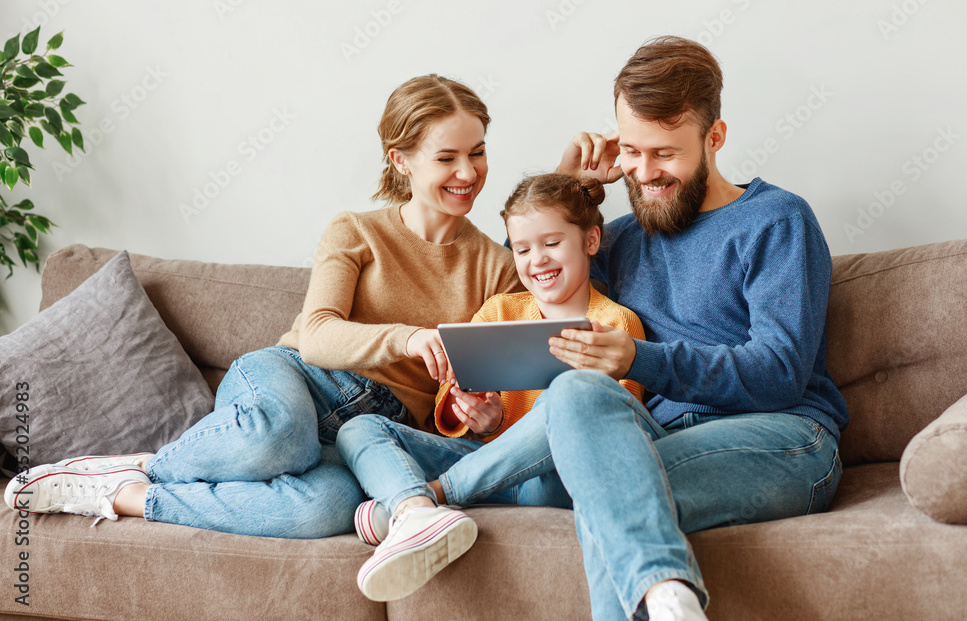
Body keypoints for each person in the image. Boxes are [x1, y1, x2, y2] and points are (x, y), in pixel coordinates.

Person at [3, 74, 522, 539]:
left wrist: (475, 416)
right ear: (400, 159)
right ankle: (154, 464)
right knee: (281, 435)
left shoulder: (496, 267)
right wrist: (407, 337)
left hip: (376, 435)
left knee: (327, 510)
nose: (468, 172)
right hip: (297, 380)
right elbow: (318, 334)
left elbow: (466, 397)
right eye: (447, 157)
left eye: (477, 153)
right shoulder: (356, 231)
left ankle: (126, 493)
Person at [537, 36, 850, 621]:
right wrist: (568, 189)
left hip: (785, 435)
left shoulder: (777, 219)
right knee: (576, 391)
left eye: (665, 153)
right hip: (661, 435)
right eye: (630, 151)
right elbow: (534, 282)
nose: (645, 173)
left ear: (715, 138)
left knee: (608, 499)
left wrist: (639, 360)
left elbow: (780, 373)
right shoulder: (622, 237)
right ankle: (669, 599)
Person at [335, 172, 646, 602]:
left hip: (552, 480)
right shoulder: (500, 308)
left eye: (552, 243)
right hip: (484, 460)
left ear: (590, 241)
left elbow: (613, 426)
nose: (537, 260)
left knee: (567, 402)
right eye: (522, 248)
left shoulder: (616, 325)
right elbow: (451, 390)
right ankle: (416, 511)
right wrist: (481, 418)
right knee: (359, 429)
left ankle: (425, 500)